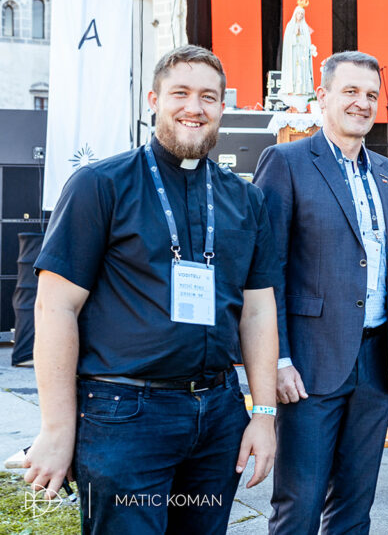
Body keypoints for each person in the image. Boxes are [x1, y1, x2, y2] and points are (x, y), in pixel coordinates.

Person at [25, 45, 280, 534]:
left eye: (209, 97)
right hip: (124, 417)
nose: (194, 107)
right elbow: (55, 307)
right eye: (180, 93)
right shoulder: (100, 185)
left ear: (222, 108)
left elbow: (257, 313)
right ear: (153, 100)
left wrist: (263, 415)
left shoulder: (245, 199)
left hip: (218, 417)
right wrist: (57, 429)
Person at [254, 50, 388, 535]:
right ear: (322, 97)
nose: (362, 103)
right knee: (299, 506)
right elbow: (267, 271)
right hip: (308, 366)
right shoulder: (285, 162)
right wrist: (278, 359)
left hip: (376, 366)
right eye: (350, 92)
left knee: (355, 507)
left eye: (371, 95)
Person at [279, 0, 317, 103]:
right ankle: (291, 89)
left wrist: (301, 39)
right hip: (292, 53)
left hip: (302, 54)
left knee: (301, 71)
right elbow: (287, 43)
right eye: (298, 14)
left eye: (302, 14)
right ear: (295, 14)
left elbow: (307, 42)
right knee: (293, 71)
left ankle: (302, 90)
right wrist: (295, 36)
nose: (300, 16)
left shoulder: (305, 27)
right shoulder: (290, 26)